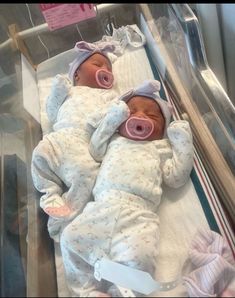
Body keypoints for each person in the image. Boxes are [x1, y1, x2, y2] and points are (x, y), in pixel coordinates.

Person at [60, 80, 194, 297]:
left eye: (152, 116)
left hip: (139, 217)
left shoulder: (159, 148)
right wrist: (113, 119)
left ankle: (123, 293)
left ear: (162, 130)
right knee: (70, 239)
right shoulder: (114, 140)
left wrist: (181, 139)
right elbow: (95, 149)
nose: (140, 117)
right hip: (101, 208)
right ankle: (86, 291)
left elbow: (176, 178)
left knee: (140, 258)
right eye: (130, 113)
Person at [31, 41, 119, 241]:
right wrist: (57, 91)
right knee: (39, 154)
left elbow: (113, 120)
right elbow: (52, 114)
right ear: (77, 74)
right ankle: (50, 192)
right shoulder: (70, 90)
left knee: (86, 175)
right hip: (60, 136)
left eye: (108, 68)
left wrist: (117, 111)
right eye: (98, 65)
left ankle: (66, 217)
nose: (105, 70)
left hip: (84, 146)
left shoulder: (110, 96)